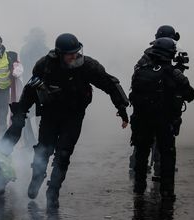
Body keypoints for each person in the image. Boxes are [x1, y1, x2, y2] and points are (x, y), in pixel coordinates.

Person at [13, 33, 129, 209]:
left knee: (64, 154)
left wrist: (121, 107)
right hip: (50, 114)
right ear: (60, 53)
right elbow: (31, 89)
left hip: (74, 116)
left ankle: (53, 190)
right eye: (70, 54)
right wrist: (21, 112)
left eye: (76, 52)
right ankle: (37, 177)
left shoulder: (87, 66)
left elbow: (109, 83)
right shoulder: (45, 65)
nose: (74, 56)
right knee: (44, 150)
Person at [129, 37, 194, 200]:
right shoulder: (173, 73)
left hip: (141, 120)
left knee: (142, 153)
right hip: (164, 122)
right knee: (167, 155)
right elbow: (190, 94)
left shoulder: (141, 70)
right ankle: (166, 191)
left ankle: (139, 187)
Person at [19, 27, 49, 147]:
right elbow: (27, 63)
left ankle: (42, 140)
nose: (40, 37)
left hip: (43, 85)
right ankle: (29, 141)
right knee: (26, 114)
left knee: (43, 113)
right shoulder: (27, 49)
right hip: (31, 84)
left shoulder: (45, 49)